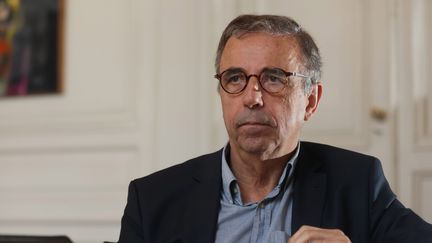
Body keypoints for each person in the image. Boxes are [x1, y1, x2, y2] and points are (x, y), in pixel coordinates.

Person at [118, 14, 432, 243]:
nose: (252, 97)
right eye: (235, 78)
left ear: (311, 100)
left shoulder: (357, 183)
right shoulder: (153, 199)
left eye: (274, 78)